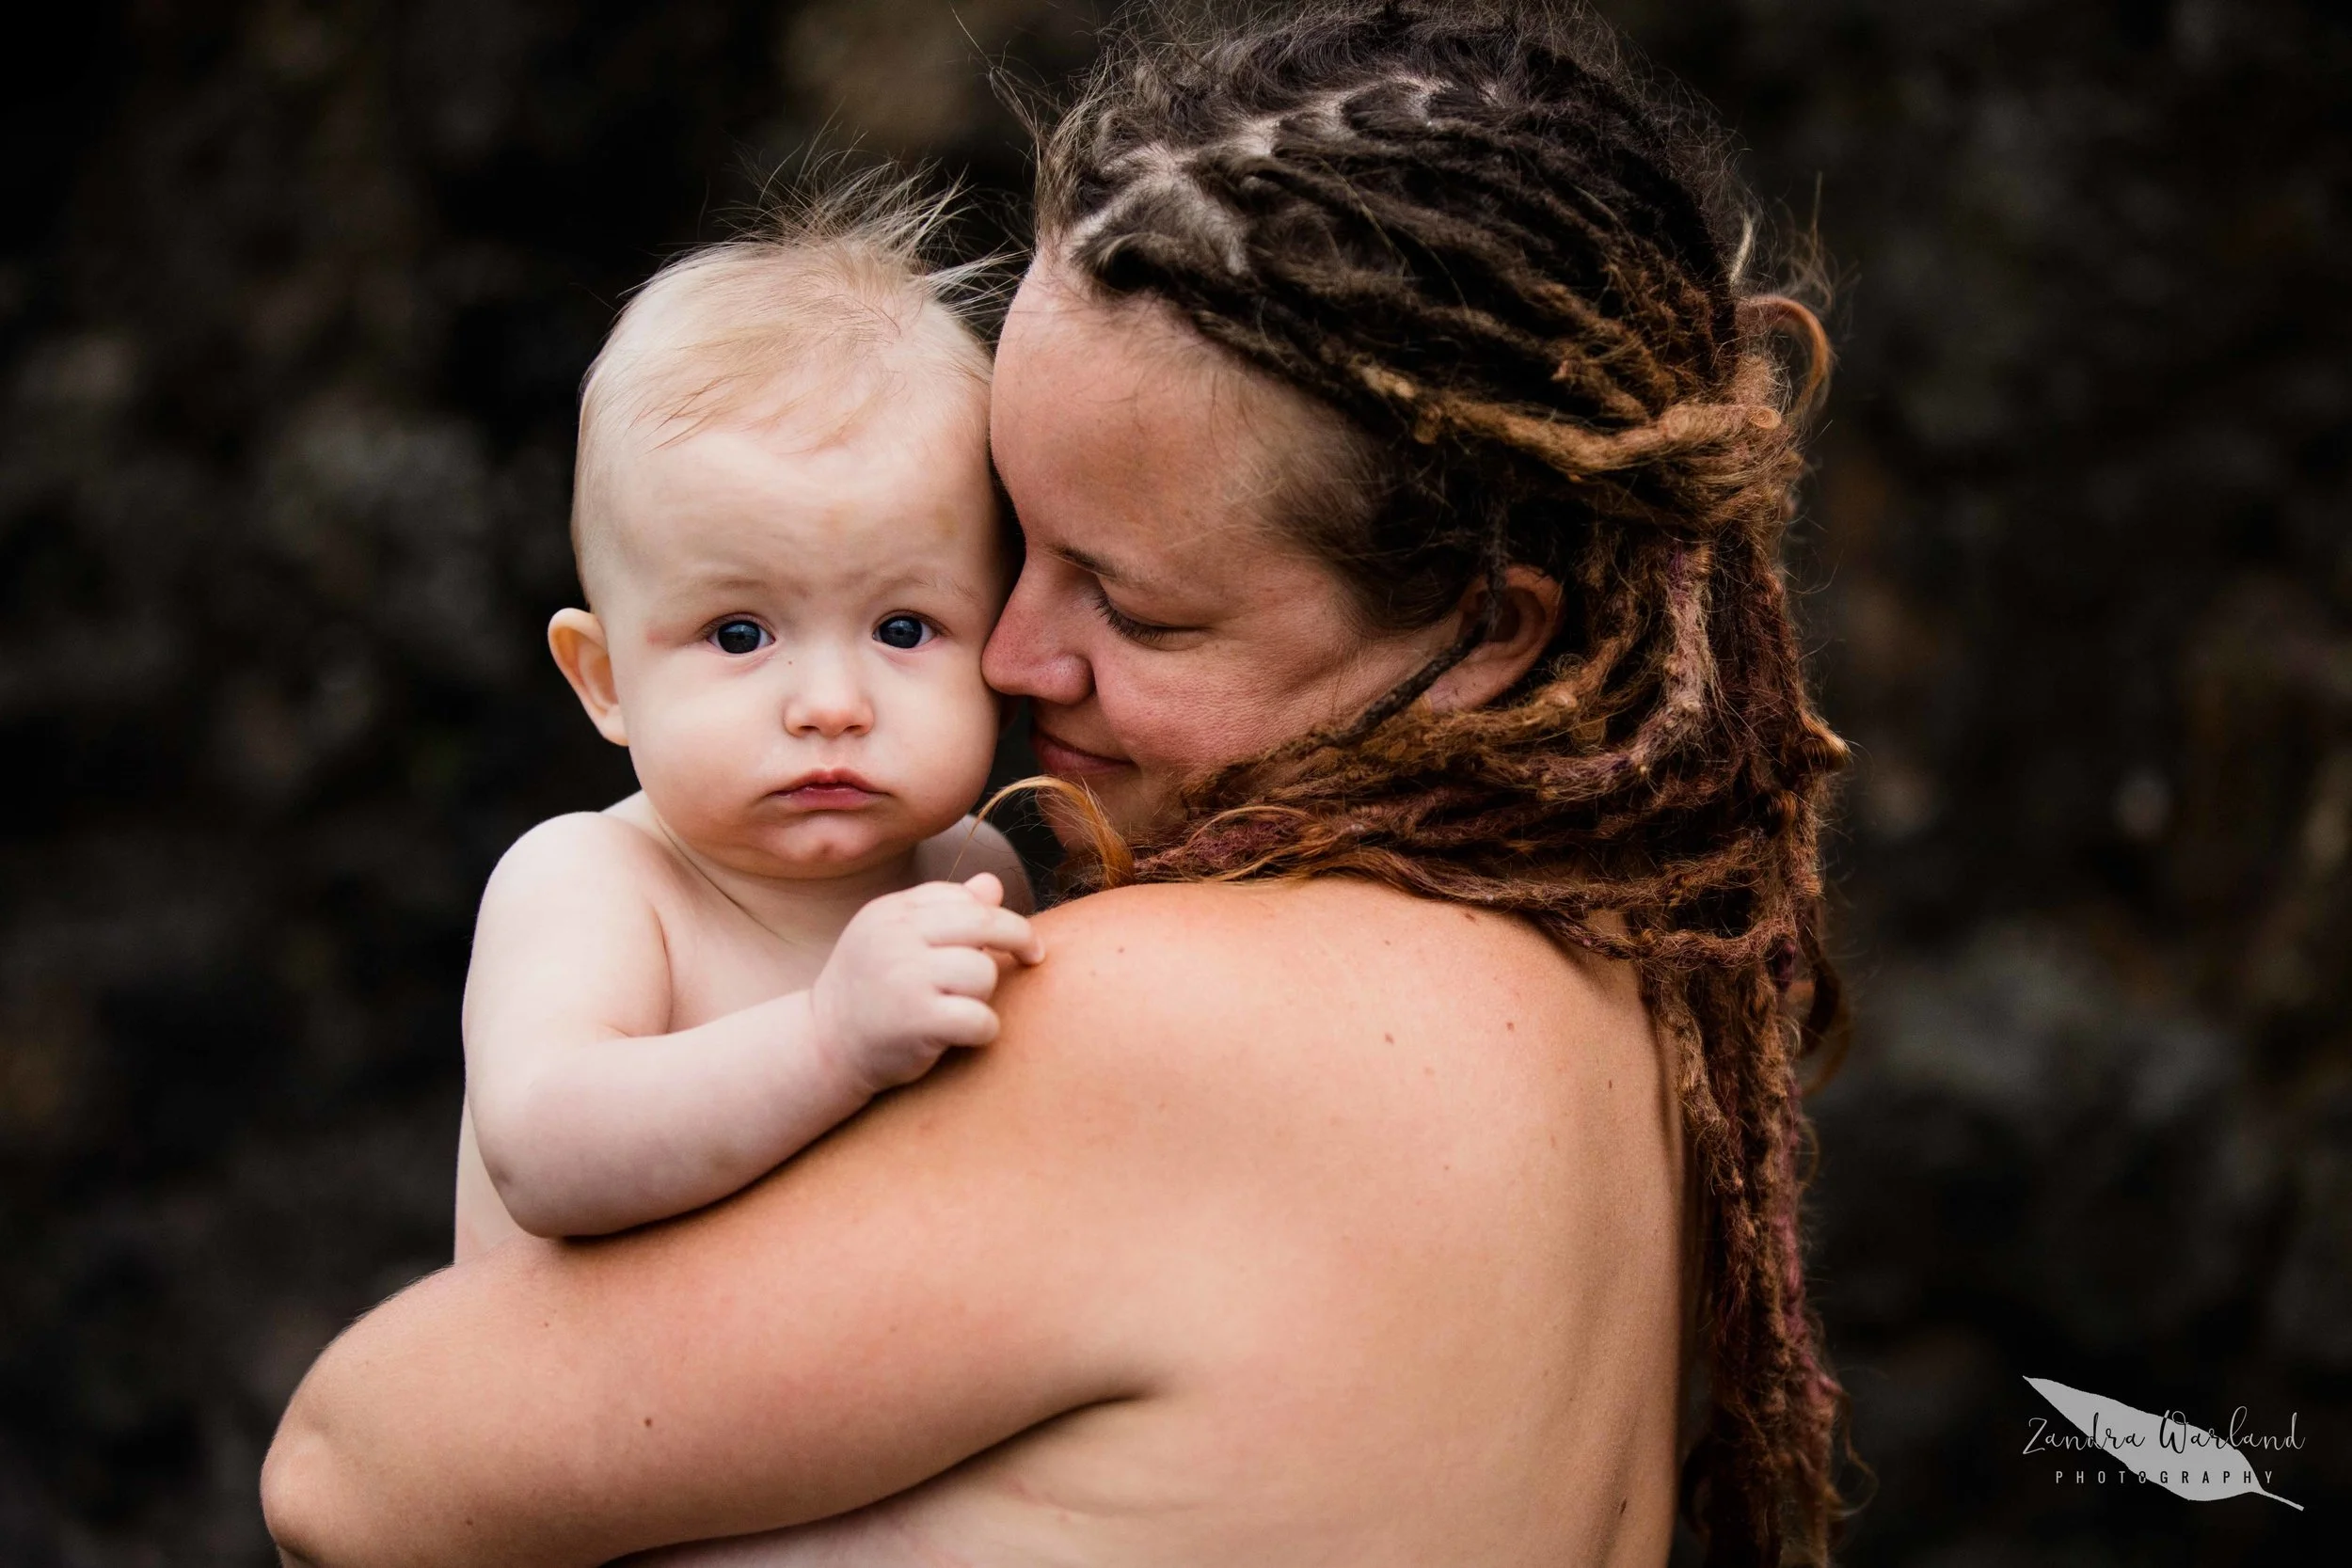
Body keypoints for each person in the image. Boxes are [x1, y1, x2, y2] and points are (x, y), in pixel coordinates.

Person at [262, 3, 1853, 1564]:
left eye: (1139, 604)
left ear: (1489, 630)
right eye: (1014, 552)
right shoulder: (1632, 1007)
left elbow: (355, 1465)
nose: (1009, 660)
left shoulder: (1164, 1025)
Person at [451, 190, 1039, 1262]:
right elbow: (541, 1147)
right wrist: (828, 1040)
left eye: (903, 627)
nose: (828, 704)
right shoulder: (594, 881)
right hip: (585, 1423)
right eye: (737, 634)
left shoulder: (973, 870)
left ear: (998, 643)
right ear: (605, 679)